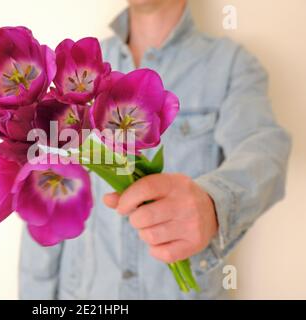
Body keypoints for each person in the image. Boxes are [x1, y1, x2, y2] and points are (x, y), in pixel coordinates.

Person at [19, 0, 291, 299]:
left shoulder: (230, 65)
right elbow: (42, 205)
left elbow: (265, 149)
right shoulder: (77, 68)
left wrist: (213, 202)